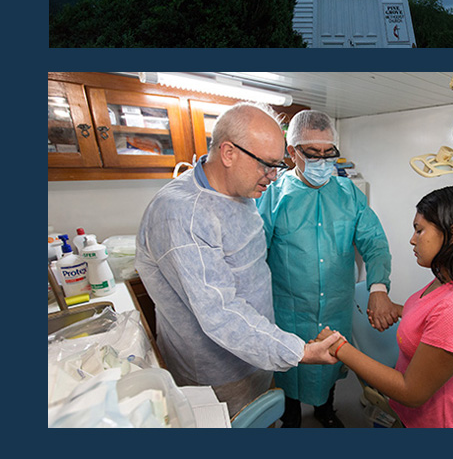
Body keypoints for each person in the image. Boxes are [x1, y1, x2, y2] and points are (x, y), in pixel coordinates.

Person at [135, 102, 341, 417]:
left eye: (278, 165)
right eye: (266, 165)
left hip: (257, 351)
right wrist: (297, 350)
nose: (273, 176)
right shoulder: (182, 215)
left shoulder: (240, 192)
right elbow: (220, 312)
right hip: (215, 372)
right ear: (229, 153)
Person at [314, 185, 453, 428]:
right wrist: (396, 309)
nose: (412, 239)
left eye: (419, 230)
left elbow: (411, 392)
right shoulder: (450, 279)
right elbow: (431, 316)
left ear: (452, 235)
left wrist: (340, 348)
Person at [256, 109, 400, 428]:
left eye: (329, 153)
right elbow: (253, 256)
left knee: (334, 359)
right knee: (291, 365)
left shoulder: (349, 195)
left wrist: (378, 288)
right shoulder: (273, 197)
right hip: (289, 310)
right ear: (292, 153)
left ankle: (325, 410)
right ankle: (291, 417)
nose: (323, 161)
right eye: (313, 153)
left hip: (335, 305)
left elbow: (374, 242)